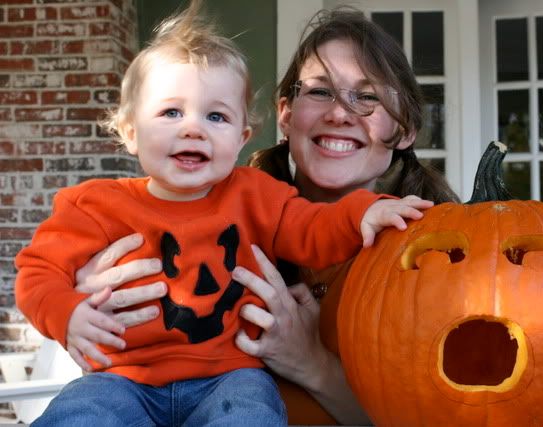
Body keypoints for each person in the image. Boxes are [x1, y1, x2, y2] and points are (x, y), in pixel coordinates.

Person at [13, 2, 433, 426]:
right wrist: (68, 310)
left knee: (248, 414)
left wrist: (364, 213)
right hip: (122, 379)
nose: (192, 128)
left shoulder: (258, 199)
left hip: (228, 377)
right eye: (170, 112)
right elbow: (37, 272)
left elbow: (314, 226)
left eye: (215, 115)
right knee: (80, 414)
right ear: (130, 131)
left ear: (241, 136)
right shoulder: (92, 205)